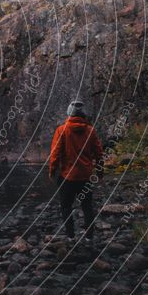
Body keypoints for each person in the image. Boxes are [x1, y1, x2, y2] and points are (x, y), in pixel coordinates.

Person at [49, 100, 104, 242]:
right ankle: (89, 237)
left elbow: (55, 154)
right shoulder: (90, 130)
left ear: (69, 113)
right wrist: (100, 171)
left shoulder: (61, 130)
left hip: (67, 177)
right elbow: (99, 153)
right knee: (87, 206)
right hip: (86, 176)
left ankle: (71, 236)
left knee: (66, 206)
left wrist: (52, 171)